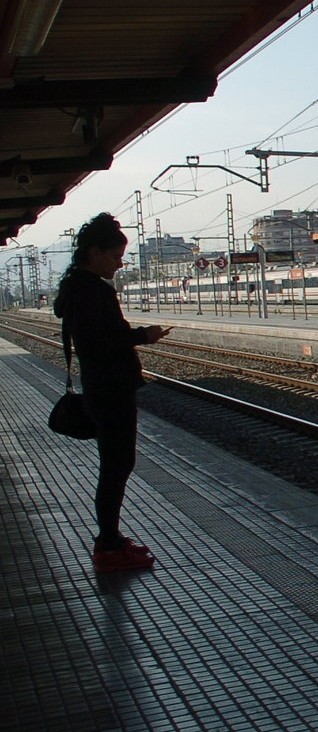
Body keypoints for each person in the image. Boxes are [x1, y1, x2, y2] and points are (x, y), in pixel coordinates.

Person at [53, 213, 172, 572]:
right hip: (110, 390)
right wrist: (141, 335)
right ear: (94, 252)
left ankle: (110, 538)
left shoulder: (78, 288)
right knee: (117, 465)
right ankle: (107, 546)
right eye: (115, 255)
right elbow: (98, 340)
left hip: (102, 387)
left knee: (116, 464)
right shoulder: (90, 291)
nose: (120, 263)